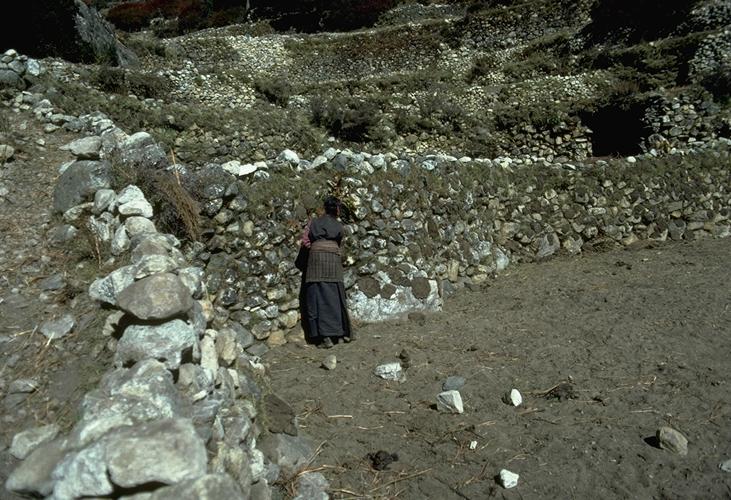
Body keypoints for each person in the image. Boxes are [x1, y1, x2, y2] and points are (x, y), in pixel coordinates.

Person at [298, 196, 353, 348]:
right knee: (335, 296)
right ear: (336, 209)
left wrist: (317, 248)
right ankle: (340, 334)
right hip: (333, 263)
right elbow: (340, 243)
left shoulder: (313, 223)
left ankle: (324, 337)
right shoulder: (339, 226)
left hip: (315, 262)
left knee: (317, 297)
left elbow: (305, 241)